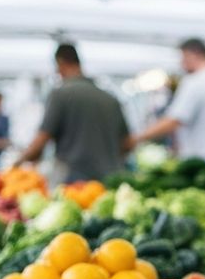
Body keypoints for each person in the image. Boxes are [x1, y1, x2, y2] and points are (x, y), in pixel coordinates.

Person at [128, 38, 205, 171]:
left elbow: (174, 120)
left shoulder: (195, 82)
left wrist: (136, 138)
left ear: (195, 54)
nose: (181, 64)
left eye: (183, 57)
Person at [15, 44, 129, 183]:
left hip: (75, 184)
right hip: (110, 180)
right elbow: (127, 143)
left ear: (60, 63)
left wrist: (16, 164)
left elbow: (41, 141)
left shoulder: (61, 94)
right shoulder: (110, 99)